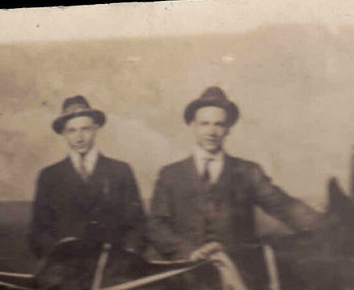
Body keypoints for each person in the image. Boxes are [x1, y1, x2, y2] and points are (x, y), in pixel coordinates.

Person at [148, 86, 325, 261]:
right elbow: (156, 225)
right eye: (205, 124)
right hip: (187, 272)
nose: (211, 132)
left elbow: (284, 206)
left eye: (219, 124)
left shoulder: (248, 172)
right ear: (193, 126)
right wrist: (189, 252)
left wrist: (326, 227)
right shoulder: (170, 175)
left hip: (239, 273)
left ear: (228, 129)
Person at [28, 95, 146, 259]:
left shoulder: (120, 171)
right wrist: (58, 258)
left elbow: (137, 225)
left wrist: (127, 255)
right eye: (72, 131)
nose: (79, 137)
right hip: (66, 271)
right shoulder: (50, 176)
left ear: (95, 129)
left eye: (85, 129)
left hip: (113, 268)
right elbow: (39, 232)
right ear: (63, 133)